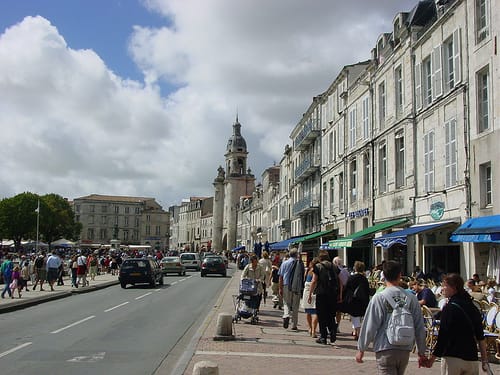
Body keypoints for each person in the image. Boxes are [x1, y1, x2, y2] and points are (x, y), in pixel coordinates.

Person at [356, 260, 427, 374]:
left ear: (383, 276)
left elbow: (370, 324)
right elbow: (419, 326)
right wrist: (421, 351)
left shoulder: (379, 298)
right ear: (400, 275)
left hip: (385, 346)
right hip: (405, 346)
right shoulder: (411, 298)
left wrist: (361, 348)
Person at [426, 273, 490, 374]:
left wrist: (432, 359)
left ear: (453, 288)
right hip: (471, 357)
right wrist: (484, 360)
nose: (442, 288)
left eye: (445, 286)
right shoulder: (472, 307)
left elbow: (443, 336)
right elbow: (480, 336)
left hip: (452, 358)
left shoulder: (449, 308)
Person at [308, 250, 340, 345]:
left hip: (321, 294)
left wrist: (310, 294)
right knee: (330, 314)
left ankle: (323, 337)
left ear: (320, 258)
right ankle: (333, 329)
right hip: (332, 294)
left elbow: (314, 281)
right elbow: (339, 280)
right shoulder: (334, 266)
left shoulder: (318, 267)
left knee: (321, 315)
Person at [342, 261, 370, 340]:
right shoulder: (364, 279)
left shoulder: (352, 277)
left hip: (353, 299)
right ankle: (355, 330)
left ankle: (357, 331)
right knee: (358, 316)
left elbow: (347, 288)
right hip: (362, 300)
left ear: (355, 268)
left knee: (354, 315)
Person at [279, 247, 304, 331]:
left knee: (286, 302)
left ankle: (286, 315)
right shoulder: (300, 263)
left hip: (286, 285)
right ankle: (294, 325)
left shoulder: (284, 263)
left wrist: (280, 288)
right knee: (295, 305)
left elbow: (281, 277)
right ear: (296, 254)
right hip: (296, 286)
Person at [301, 257, 318, 337]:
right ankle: (314, 331)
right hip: (313, 291)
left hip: (306, 291)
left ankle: (310, 328)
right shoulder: (316, 271)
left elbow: (305, 280)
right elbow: (314, 282)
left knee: (308, 312)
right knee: (315, 312)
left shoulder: (308, 270)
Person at [333, 256, 349, 331]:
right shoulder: (345, 271)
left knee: (332, 310)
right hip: (342, 293)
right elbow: (347, 282)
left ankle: (332, 325)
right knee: (338, 311)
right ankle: (337, 326)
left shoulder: (333, 270)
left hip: (334, 292)